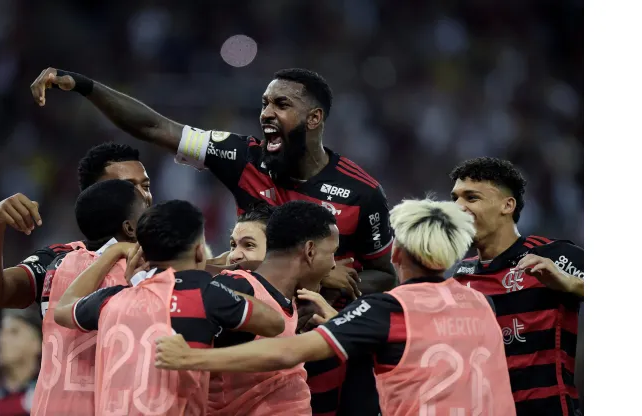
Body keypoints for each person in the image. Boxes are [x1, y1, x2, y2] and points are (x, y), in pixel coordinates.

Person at [31, 67, 395, 414]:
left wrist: (335, 279)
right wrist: (84, 86)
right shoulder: (242, 157)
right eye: (264, 103)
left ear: (313, 119)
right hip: (250, 354)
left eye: (281, 105)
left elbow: (384, 274)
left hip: (324, 345)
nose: (266, 113)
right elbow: (155, 126)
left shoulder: (362, 193)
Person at [155, 198, 516, 416]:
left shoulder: (387, 311)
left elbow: (286, 351)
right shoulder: (479, 303)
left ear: (396, 253)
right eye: (332, 252)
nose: (335, 263)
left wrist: (189, 358)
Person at [54, 199, 286, 415]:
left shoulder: (111, 299)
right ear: (198, 250)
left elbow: (63, 310)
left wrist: (114, 253)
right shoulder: (207, 295)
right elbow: (274, 322)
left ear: (143, 253)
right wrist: (218, 280)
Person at [448, 157, 584, 416]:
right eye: (455, 198)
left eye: (471, 197)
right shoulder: (460, 274)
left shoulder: (552, 255)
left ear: (506, 205)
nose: (458, 207)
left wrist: (568, 283)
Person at [0, 142, 152, 312]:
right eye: (128, 187)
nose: (144, 196)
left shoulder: (170, 256)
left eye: (145, 186)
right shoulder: (58, 260)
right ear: (93, 195)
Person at [206, 200, 338, 416]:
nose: (334, 265)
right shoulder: (238, 287)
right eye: (332, 252)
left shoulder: (293, 302)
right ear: (310, 251)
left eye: (248, 245)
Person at [31, 179, 148, 416]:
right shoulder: (130, 272)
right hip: (93, 405)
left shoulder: (61, 263)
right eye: (146, 212)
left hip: (45, 404)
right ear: (130, 229)